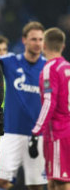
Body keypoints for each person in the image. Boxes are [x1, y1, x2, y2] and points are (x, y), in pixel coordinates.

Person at [0, 21, 47, 190]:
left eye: (41, 39)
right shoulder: (10, 61)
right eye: (34, 39)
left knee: (37, 185)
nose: (38, 43)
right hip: (11, 133)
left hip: (37, 136)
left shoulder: (48, 67)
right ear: (24, 40)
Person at [32, 28, 70, 190]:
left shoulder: (50, 68)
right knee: (53, 180)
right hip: (66, 130)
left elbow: (49, 103)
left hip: (58, 132)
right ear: (62, 46)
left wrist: (36, 130)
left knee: (61, 181)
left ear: (44, 45)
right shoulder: (67, 67)